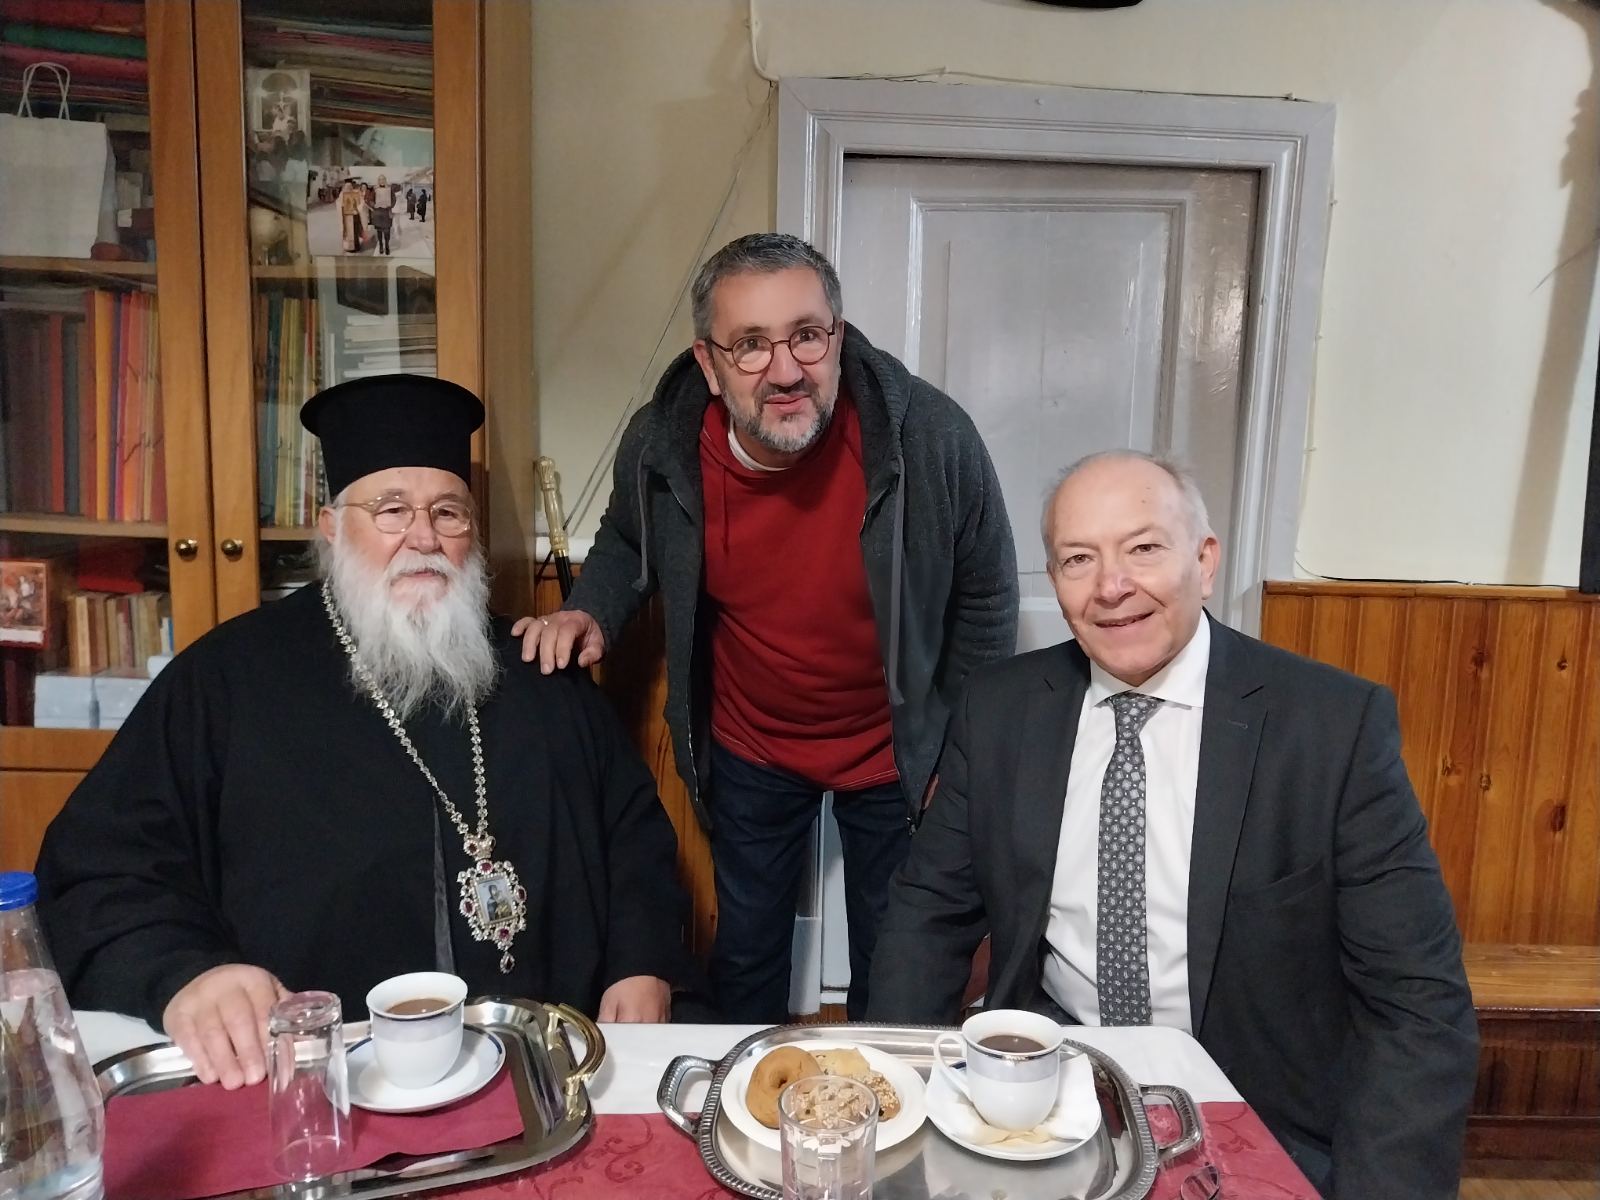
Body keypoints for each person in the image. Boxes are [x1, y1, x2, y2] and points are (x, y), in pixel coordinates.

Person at [37, 374, 704, 1092]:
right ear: (332, 528)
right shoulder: (227, 678)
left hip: (541, 1071)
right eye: (391, 511)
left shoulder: (539, 670)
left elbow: (632, 831)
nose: (424, 537)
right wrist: (187, 976)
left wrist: (642, 961)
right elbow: (103, 866)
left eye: (448, 513)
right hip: (317, 1080)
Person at [866, 450, 1478, 1199]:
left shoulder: (1331, 728)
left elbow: (1417, 1003)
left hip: (1253, 1112)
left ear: (1205, 561)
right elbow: (928, 912)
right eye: (1078, 559)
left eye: (1144, 548)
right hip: (1044, 1105)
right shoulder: (999, 710)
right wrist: (890, 1114)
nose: (1111, 587)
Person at [516, 233, 1018, 1023]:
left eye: (806, 335)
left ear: (838, 338)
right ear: (709, 365)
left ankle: (876, 1094)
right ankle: (740, 1092)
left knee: (897, 958)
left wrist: (958, 751)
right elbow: (625, 539)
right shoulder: (661, 442)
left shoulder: (930, 436)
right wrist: (590, 610)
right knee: (747, 955)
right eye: (749, 345)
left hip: (894, 750)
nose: (784, 371)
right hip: (751, 743)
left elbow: (986, 598)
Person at [370, 173, 394, 255]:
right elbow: (371, 200)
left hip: (387, 212)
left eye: (383, 179)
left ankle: (387, 245)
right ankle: (381, 245)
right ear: (378, 181)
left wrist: (390, 205)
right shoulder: (375, 189)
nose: (382, 181)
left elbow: (393, 199)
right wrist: (374, 205)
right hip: (378, 213)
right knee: (379, 231)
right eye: (380, 179)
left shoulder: (389, 189)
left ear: (385, 180)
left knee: (387, 231)